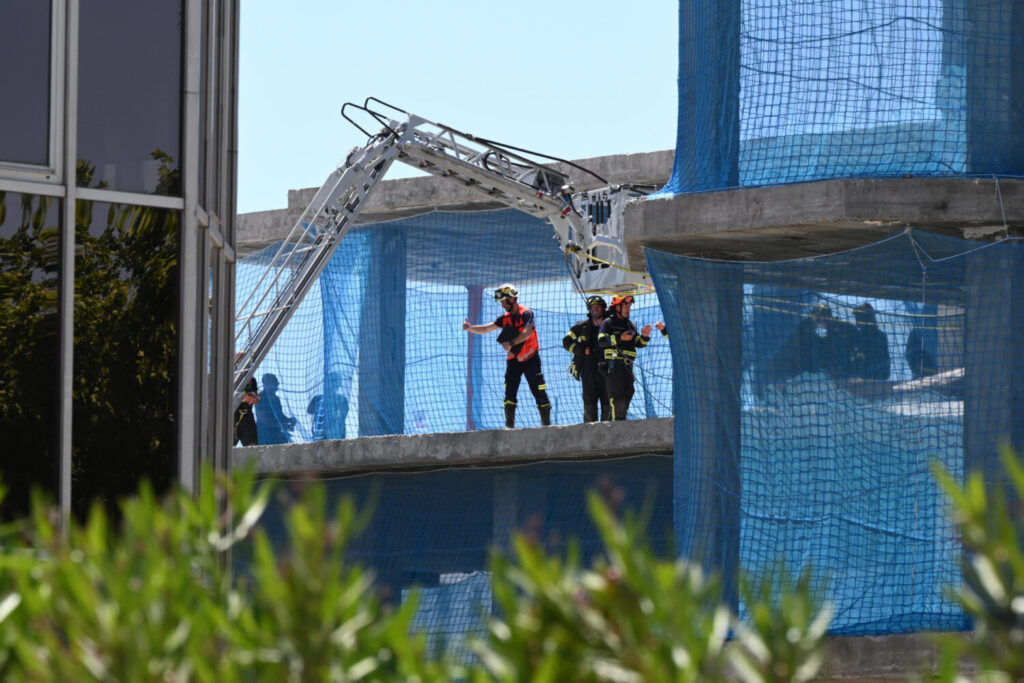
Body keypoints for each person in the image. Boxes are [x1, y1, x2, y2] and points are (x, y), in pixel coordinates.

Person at [463, 283, 552, 428]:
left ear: (512, 299)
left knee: (539, 390)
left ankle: (547, 425)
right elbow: (487, 328)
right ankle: (509, 426)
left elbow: (527, 332)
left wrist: (511, 343)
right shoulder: (504, 318)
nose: (502, 305)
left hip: (531, 359)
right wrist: (470, 328)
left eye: (504, 301)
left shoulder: (526, 313)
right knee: (509, 391)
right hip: (514, 360)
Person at [597, 295, 665, 420]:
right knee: (618, 400)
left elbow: (638, 343)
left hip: (628, 366)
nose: (628, 309)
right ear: (617, 307)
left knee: (629, 393)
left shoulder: (630, 324)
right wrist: (619, 338)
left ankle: (615, 425)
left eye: (629, 306)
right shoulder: (608, 323)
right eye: (626, 306)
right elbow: (601, 341)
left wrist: (644, 337)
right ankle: (614, 428)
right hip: (614, 365)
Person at [562, 295, 611, 422]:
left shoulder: (611, 325)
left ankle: (608, 433)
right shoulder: (580, 327)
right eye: (592, 307)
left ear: (603, 308)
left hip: (608, 368)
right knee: (589, 400)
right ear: (589, 310)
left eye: (598, 307)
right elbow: (566, 342)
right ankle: (590, 434)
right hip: (588, 369)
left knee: (608, 400)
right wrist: (582, 350)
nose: (595, 309)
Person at [851, 302, 891, 380]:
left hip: (869, 379)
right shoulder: (880, 335)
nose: (857, 320)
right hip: (871, 379)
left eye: (859, 317)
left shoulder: (863, 336)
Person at [255, 373, 297, 444]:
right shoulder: (261, 398)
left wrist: (289, 420)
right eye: (275, 382)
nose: (278, 384)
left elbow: (280, 416)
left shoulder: (276, 399)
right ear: (267, 384)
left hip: (276, 435)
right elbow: (263, 419)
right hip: (264, 436)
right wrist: (282, 425)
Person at [234, 374, 260, 446]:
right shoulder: (229, 378)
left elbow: (256, 399)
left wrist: (254, 398)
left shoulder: (252, 380)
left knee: (252, 448)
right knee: (224, 450)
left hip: (247, 419)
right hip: (231, 417)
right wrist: (242, 397)